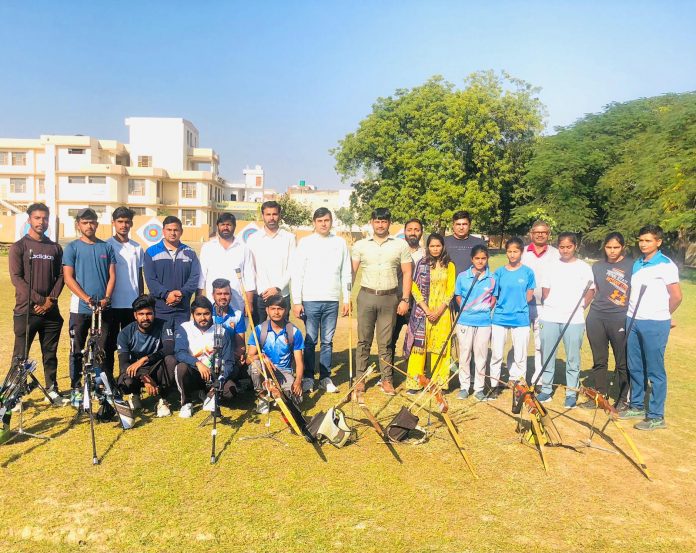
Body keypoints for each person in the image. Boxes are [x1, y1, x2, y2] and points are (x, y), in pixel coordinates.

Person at [619, 225, 682, 430]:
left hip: (655, 323)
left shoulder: (666, 265)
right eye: (641, 240)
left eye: (648, 240)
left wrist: (664, 315)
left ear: (658, 242)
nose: (644, 244)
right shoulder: (638, 263)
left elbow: (676, 296)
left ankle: (656, 416)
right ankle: (636, 405)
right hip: (633, 320)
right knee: (635, 366)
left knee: (655, 370)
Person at [8, 203, 67, 405]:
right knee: (20, 357)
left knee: (50, 355)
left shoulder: (55, 247)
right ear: (29, 220)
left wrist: (51, 300)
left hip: (51, 313)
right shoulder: (19, 247)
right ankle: (12, 396)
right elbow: (17, 279)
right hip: (27, 311)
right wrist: (41, 300)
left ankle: (52, 390)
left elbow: (61, 276)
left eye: (45, 218)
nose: (41, 222)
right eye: (37, 218)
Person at [351, 208, 412, 398]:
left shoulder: (400, 245)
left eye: (384, 221)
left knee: (385, 343)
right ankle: (360, 379)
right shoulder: (360, 245)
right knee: (364, 340)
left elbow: (408, 272)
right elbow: (351, 273)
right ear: (371, 222)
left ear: (389, 223)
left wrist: (405, 299)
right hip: (367, 295)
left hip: (390, 298)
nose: (380, 225)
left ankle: (386, 379)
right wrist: (347, 298)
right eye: (377, 221)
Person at [291, 207, 351, 393]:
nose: (323, 224)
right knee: (310, 340)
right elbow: (297, 273)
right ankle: (308, 376)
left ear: (331, 221)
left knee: (327, 341)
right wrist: (297, 300)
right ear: (314, 223)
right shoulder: (305, 243)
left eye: (326, 220)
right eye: (320, 221)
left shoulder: (340, 243)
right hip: (310, 300)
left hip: (331, 300)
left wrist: (347, 299)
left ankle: (325, 377)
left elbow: (346, 272)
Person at [63, 208, 116, 407]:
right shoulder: (72, 248)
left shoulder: (106, 247)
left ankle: (97, 386)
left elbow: (112, 276)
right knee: (77, 350)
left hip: (102, 310)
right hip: (80, 309)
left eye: (92, 222)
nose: (89, 226)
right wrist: (85, 298)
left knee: (100, 350)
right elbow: (68, 277)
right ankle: (76, 388)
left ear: (97, 224)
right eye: (85, 222)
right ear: (78, 225)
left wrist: (106, 298)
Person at [537, 232, 595, 409]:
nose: (565, 250)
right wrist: (554, 305)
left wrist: (579, 307)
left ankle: (571, 392)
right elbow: (545, 290)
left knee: (573, 357)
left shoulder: (584, 267)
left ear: (575, 246)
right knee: (547, 354)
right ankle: (546, 389)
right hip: (550, 317)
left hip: (574, 318)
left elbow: (591, 291)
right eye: (561, 247)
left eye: (568, 247)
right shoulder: (551, 266)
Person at [580, 232, 632, 410]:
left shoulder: (632, 266)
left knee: (622, 361)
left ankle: (623, 398)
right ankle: (599, 396)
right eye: (609, 247)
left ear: (622, 247)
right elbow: (593, 289)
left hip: (620, 316)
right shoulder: (597, 266)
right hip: (596, 316)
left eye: (616, 247)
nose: (612, 251)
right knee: (599, 359)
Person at [403, 233, 455, 394]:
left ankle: (440, 383)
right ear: (427, 247)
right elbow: (413, 286)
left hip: (443, 312)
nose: (435, 249)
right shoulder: (421, 263)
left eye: (438, 246)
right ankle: (414, 383)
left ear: (443, 246)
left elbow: (451, 289)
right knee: (419, 348)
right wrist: (426, 309)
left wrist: (439, 310)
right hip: (422, 311)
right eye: (432, 246)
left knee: (441, 348)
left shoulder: (450, 265)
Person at [171, 296, 237, 418]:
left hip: (214, 374)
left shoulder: (221, 331)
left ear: (211, 313)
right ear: (192, 314)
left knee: (231, 391)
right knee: (181, 367)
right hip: (194, 371)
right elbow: (179, 352)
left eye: (206, 314)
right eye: (198, 314)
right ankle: (186, 403)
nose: (203, 318)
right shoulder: (185, 328)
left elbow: (228, 362)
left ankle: (208, 395)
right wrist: (197, 363)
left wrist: (221, 380)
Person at [116, 294, 175, 417]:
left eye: (149, 314)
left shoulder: (164, 325)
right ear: (135, 315)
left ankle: (163, 399)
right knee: (125, 379)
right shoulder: (125, 333)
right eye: (141, 314)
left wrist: (145, 359)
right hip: (137, 370)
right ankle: (135, 394)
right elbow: (123, 364)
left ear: (154, 313)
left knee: (171, 360)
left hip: (156, 366)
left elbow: (169, 349)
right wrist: (144, 377)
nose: (145, 318)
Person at [490, 237, 536, 390]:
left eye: (515, 251)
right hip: (500, 317)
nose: (512, 255)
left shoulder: (528, 272)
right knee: (497, 354)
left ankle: (518, 381)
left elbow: (529, 294)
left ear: (521, 252)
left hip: (520, 317)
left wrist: (520, 305)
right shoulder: (499, 272)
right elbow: (495, 295)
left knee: (520, 354)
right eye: (509, 251)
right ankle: (493, 384)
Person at [247, 294, 305, 414]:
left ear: (286, 310)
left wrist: (298, 381)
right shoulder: (259, 330)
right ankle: (262, 396)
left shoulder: (294, 332)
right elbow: (248, 359)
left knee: (296, 400)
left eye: (280, 309)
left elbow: (299, 362)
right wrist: (261, 357)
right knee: (255, 366)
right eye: (273, 308)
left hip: (284, 372)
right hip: (265, 370)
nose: (276, 312)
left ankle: (276, 393)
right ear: (267, 310)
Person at [105, 207, 144, 378]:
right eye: (120, 221)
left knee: (132, 345)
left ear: (131, 224)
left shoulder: (137, 247)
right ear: (113, 223)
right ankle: (108, 381)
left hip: (132, 305)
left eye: (127, 222)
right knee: (109, 345)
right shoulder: (106, 245)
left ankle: (129, 379)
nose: (124, 225)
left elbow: (139, 275)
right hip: (112, 304)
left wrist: (141, 300)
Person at [143, 215, 201, 330]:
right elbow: (150, 279)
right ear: (163, 231)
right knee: (163, 345)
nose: (172, 233)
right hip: (160, 310)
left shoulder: (190, 253)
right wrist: (166, 294)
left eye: (176, 230)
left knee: (181, 344)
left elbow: (194, 277)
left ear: (181, 232)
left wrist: (181, 293)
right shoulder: (151, 252)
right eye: (169, 230)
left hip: (182, 310)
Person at [454, 245, 496, 400]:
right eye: (477, 258)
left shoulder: (492, 278)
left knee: (481, 355)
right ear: (472, 259)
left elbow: (494, 297)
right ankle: (464, 387)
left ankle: (479, 388)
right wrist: (466, 309)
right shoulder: (462, 276)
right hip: (465, 321)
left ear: (487, 259)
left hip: (484, 322)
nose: (480, 261)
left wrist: (484, 309)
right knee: (465, 354)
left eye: (483, 258)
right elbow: (458, 295)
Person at [522, 220, 560, 383]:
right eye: (536, 232)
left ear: (548, 234)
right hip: (523, 305)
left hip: (545, 307)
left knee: (541, 344)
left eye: (543, 232)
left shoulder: (556, 254)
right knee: (521, 343)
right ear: (531, 234)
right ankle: (518, 378)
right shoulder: (522, 252)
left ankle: (539, 378)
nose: (540, 234)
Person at [247, 201, 296, 325]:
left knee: (283, 334)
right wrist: (262, 290)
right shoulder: (253, 238)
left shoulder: (289, 238)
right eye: (268, 214)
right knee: (259, 335)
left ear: (279, 215)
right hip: (260, 295)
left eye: (274, 214)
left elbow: (292, 266)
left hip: (282, 294)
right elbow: (250, 268)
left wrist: (277, 287)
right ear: (262, 215)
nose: (271, 218)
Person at [197, 212, 255, 312]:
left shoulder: (244, 249)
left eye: (229, 225)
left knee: (237, 327)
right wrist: (199, 298)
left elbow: (249, 277)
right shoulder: (208, 247)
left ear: (234, 227)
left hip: (237, 302)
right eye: (222, 225)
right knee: (215, 327)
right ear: (217, 226)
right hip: (213, 302)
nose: (225, 227)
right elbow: (201, 276)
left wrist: (249, 302)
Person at [389, 218, 425, 360]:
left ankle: (414, 373)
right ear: (404, 232)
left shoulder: (426, 255)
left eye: (416, 230)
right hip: (396, 301)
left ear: (421, 232)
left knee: (416, 339)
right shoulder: (396, 252)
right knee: (390, 338)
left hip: (418, 304)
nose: (413, 233)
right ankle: (387, 375)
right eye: (409, 230)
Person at [209, 278, 247, 396]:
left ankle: (221, 385)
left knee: (231, 392)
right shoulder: (205, 313)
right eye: (219, 294)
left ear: (231, 295)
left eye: (226, 293)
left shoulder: (237, 315)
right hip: (209, 359)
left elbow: (241, 345)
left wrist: (238, 355)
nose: (223, 297)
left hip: (229, 360)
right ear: (213, 295)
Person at [443, 211, 486, 276]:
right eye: (458, 224)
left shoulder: (479, 243)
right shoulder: (443, 242)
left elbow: (484, 266)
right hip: (449, 284)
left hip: (472, 284)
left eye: (464, 224)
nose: (461, 227)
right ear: (453, 225)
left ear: (470, 225)